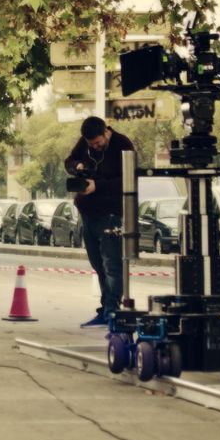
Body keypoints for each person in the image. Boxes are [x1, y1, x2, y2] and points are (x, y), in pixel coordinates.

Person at [63, 116, 137, 328]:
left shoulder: (123, 144)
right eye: (91, 144)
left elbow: (128, 179)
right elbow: (69, 161)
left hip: (110, 213)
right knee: (97, 263)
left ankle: (112, 311)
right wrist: (77, 166)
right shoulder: (84, 144)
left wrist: (98, 186)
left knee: (112, 264)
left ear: (106, 132)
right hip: (88, 213)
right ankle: (105, 309)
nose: (95, 147)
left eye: (98, 143)